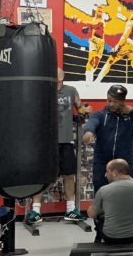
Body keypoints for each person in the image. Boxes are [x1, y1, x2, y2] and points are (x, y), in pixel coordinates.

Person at [25, 69, 92, 227]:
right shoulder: (42, 91)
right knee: (42, 175)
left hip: (66, 140)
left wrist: (85, 110)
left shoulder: (71, 91)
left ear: (62, 77)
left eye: (58, 74)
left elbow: (80, 108)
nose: (55, 77)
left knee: (69, 175)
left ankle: (71, 210)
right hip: (46, 141)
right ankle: (36, 211)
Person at [81, 84, 133, 193]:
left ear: (122, 101)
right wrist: (89, 132)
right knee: (101, 194)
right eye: (109, 100)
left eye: (115, 101)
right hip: (102, 165)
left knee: (125, 195)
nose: (111, 104)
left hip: (124, 165)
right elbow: (92, 122)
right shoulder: (100, 115)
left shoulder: (131, 117)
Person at [86, 158, 133, 243]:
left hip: (110, 237)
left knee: (97, 213)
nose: (105, 175)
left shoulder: (103, 190)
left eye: (107, 171)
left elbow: (91, 214)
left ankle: (98, 239)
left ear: (114, 173)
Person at [95, 8, 133, 85]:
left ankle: (97, 81)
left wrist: (117, 46)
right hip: (131, 44)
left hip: (126, 43)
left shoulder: (130, 23)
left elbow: (125, 36)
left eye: (132, 13)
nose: (130, 14)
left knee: (109, 61)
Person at [75, 4, 109, 83]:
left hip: (101, 42)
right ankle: (88, 79)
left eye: (101, 10)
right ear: (96, 11)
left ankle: (90, 73)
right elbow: (90, 28)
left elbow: (95, 25)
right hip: (93, 40)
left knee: (96, 62)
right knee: (91, 58)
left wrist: (82, 21)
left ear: (102, 12)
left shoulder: (101, 21)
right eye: (98, 10)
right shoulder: (93, 20)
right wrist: (85, 29)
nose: (99, 11)